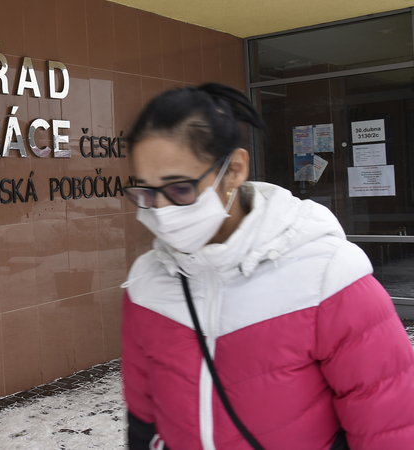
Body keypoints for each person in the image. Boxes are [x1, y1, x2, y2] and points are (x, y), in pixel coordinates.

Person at [120, 83, 414, 450]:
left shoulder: (326, 275)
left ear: (234, 169)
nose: (161, 212)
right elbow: (143, 416)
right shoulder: (146, 283)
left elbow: (389, 426)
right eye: (146, 193)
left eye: (180, 189)